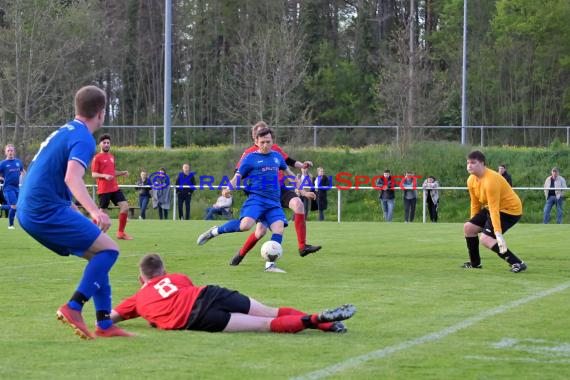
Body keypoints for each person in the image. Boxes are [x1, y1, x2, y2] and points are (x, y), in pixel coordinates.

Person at [16, 85, 132, 339]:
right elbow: (72, 177)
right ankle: (73, 307)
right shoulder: (83, 138)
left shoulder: (64, 132)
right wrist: (95, 211)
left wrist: (74, 208)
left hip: (32, 209)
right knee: (110, 250)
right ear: (101, 114)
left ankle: (104, 324)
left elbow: (49, 175)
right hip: (44, 210)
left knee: (99, 254)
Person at [110, 254, 355, 334]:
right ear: (164, 271)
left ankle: (314, 321)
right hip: (209, 293)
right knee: (271, 311)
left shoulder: (137, 299)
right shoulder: (177, 277)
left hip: (196, 318)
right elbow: (181, 291)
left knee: (265, 325)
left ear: (141, 278)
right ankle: (326, 324)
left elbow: (109, 318)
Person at [197, 127, 298, 273]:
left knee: (279, 229)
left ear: (272, 141)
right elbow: (237, 177)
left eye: (268, 142)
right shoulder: (250, 158)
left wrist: (302, 189)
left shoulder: (277, 156)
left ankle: (270, 266)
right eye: (262, 142)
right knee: (245, 226)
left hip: (274, 202)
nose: (265, 145)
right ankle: (215, 231)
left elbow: (290, 174)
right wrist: (227, 189)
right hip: (257, 199)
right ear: (256, 141)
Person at [227, 121, 321, 267]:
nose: (265, 141)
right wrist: (234, 187)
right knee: (260, 232)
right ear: (255, 137)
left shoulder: (274, 149)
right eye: (260, 134)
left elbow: (289, 162)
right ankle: (241, 254)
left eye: (266, 134)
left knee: (298, 204)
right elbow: (239, 173)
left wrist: (302, 166)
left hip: (280, 189)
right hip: (261, 194)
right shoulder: (249, 154)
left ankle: (302, 247)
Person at [462, 150, 527, 273]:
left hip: (510, 211)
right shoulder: (471, 180)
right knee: (468, 228)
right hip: (492, 208)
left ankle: (517, 263)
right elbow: (475, 203)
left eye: (473, 163)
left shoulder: (491, 180)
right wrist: (473, 221)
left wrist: (498, 234)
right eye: (468, 163)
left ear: (482, 163)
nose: (469, 165)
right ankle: (475, 264)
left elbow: (494, 208)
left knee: (485, 239)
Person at [91, 134, 133, 240]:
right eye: (104, 143)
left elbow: (112, 172)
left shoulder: (111, 157)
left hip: (114, 188)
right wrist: (104, 176)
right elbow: (94, 174)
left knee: (125, 207)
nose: (106, 144)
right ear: (100, 144)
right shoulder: (97, 158)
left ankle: (120, 233)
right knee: (102, 215)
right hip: (104, 189)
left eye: (108, 143)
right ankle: (91, 233)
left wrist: (122, 172)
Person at [0, 144, 25, 229]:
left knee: (18, 205)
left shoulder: (18, 162)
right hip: (8, 188)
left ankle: (20, 223)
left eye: (11, 150)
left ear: (14, 151)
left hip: (17, 187)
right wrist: (3, 179)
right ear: (5, 152)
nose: (10, 152)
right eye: (8, 151)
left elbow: (22, 172)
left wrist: (24, 180)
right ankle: (10, 225)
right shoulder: (3, 164)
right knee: (14, 205)